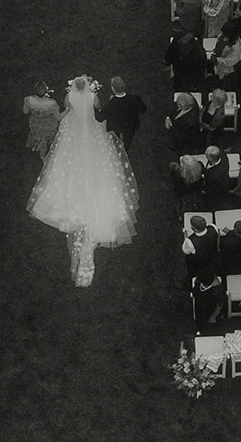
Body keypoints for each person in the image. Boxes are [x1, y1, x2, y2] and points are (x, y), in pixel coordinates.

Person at [28, 75, 139, 287]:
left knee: (65, 163)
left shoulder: (70, 96)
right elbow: (98, 110)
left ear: (73, 87)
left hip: (75, 130)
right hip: (91, 128)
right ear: (88, 87)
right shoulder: (93, 97)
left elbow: (65, 107)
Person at [94, 78, 146, 153]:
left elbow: (99, 118)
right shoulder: (135, 98)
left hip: (116, 132)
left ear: (113, 88)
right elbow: (143, 109)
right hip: (131, 130)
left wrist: (95, 108)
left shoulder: (111, 104)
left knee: (118, 152)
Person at [165, 29, 207, 93]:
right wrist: (167, 63)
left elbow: (201, 67)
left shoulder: (198, 51)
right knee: (177, 85)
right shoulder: (176, 41)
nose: (181, 40)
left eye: (184, 39)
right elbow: (170, 52)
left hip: (191, 74)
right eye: (183, 37)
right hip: (178, 70)